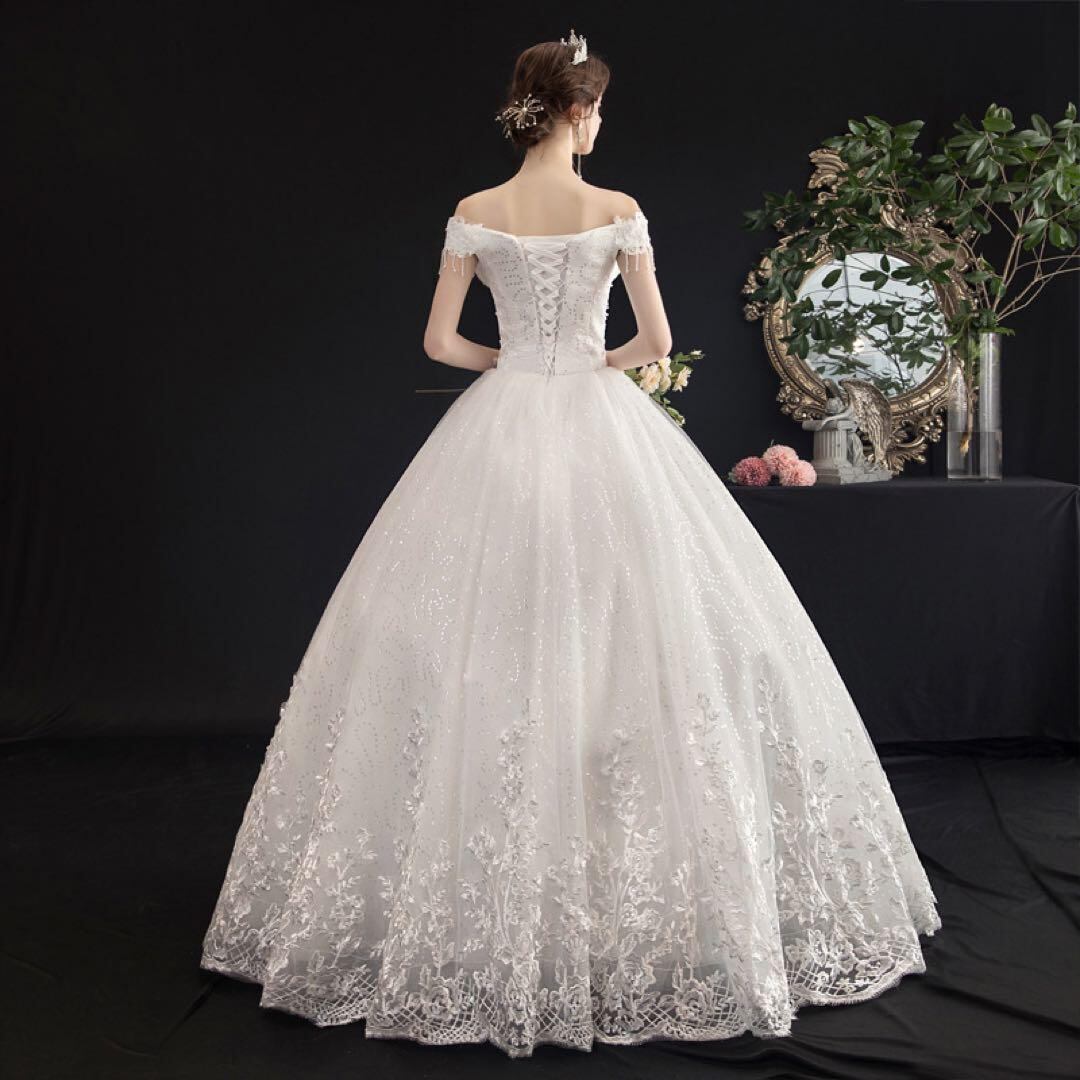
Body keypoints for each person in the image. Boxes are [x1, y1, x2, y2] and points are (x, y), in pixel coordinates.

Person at [200, 30, 941, 1059]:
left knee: (486, 639)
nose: (601, 124)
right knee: (634, 635)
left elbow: (438, 342)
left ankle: (484, 895)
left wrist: (514, 363)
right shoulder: (615, 210)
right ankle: (621, 894)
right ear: (579, 112)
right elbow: (657, 342)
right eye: (599, 109)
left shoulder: (475, 211)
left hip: (498, 428)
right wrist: (590, 362)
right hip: (602, 422)